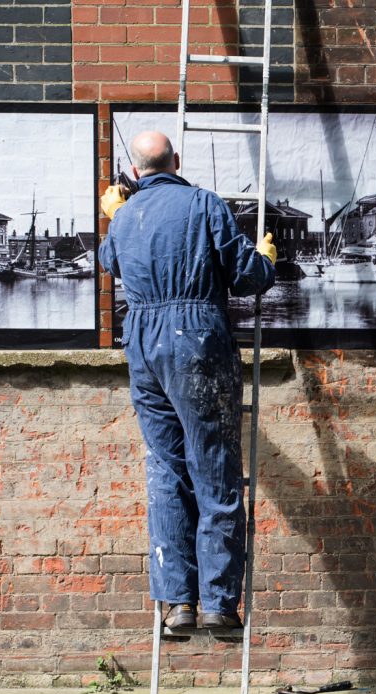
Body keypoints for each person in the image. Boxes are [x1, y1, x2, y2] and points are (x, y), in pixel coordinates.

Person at [99, 131, 277, 632]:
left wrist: (118, 214)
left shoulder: (124, 216)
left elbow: (109, 261)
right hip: (195, 338)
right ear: (176, 161)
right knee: (215, 468)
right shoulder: (203, 203)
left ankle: (178, 604)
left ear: (135, 173)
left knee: (166, 471)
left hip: (142, 344)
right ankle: (219, 603)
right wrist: (266, 259)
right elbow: (246, 276)